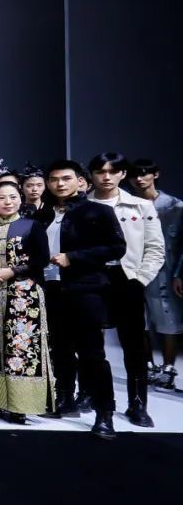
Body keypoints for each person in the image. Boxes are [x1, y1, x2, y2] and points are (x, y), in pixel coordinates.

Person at [34, 160, 125, 438]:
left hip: (85, 289)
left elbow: (117, 247)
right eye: (54, 179)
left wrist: (73, 257)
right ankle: (65, 399)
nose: (59, 184)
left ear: (80, 180)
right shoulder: (42, 214)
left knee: (92, 353)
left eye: (66, 178)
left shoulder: (98, 211)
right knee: (59, 349)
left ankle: (104, 412)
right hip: (50, 289)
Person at [88, 152, 164, 427]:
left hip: (128, 278)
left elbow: (155, 248)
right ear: (92, 175)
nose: (106, 177)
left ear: (122, 174)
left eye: (113, 171)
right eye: (100, 171)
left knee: (134, 346)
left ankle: (138, 404)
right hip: (91, 278)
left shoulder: (141, 206)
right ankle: (99, 403)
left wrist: (140, 278)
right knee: (91, 344)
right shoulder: (81, 205)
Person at [0, 180, 53, 423]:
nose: (8, 202)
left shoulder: (32, 226)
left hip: (22, 298)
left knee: (21, 348)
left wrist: (13, 271)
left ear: (20, 199)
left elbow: (41, 259)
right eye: (2, 198)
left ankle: (20, 405)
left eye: (13, 197)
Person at [129, 159, 183, 390]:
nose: (139, 179)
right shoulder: (127, 205)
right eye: (134, 175)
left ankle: (168, 368)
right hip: (133, 269)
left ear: (155, 174)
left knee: (169, 319)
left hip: (166, 271)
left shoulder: (175, 207)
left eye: (144, 174)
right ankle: (148, 365)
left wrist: (179, 273)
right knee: (137, 319)